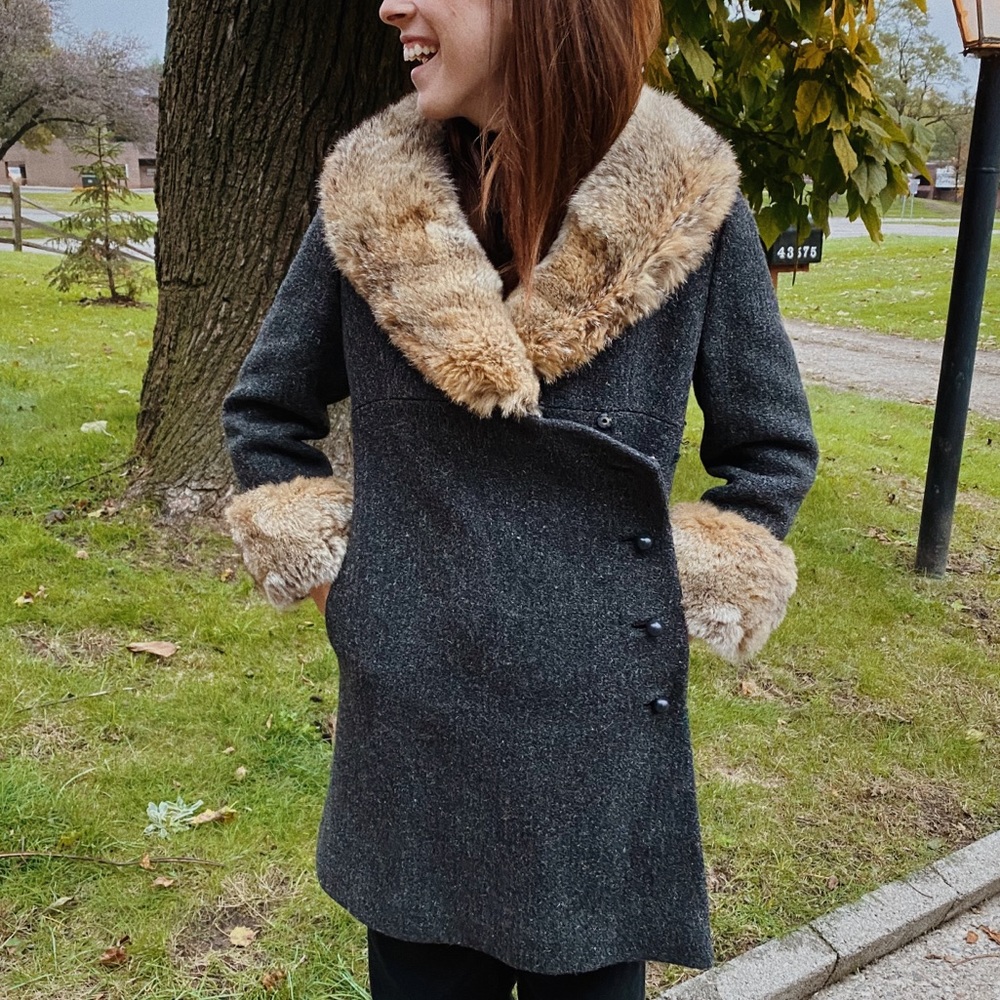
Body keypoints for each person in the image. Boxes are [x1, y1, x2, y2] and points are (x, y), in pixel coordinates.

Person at [221, 0, 819, 997]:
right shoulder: (374, 202)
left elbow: (771, 448)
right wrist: (347, 587)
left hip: (591, 744)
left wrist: (663, 600)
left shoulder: (682, 205)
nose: (389, 7)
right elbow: (265, 413)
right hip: (414, 732)